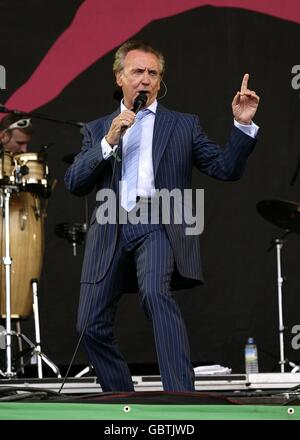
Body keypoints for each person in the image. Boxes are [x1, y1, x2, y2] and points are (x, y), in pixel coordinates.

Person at [64, 40, 260, 392]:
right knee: (89, 326)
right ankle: (121, 395)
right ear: (119, 77)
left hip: (156, 219)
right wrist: (108, 143)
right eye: (138, 71)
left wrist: (242, 125)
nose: (146, 80)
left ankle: (181, 397)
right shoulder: (97, 129)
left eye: (153, 73)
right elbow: (75, 183)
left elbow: (225, 168)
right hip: (109, 227)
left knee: (155, 294)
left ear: (160, 81)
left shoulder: (183, 125)